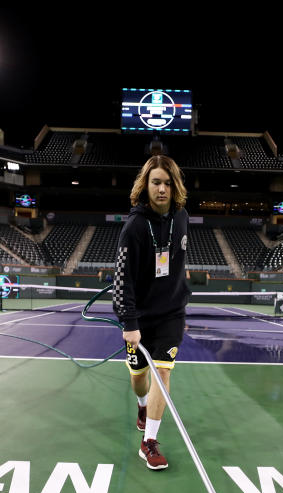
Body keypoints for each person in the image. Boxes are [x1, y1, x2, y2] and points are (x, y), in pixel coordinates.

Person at [113, 155, 190, 470]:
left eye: (167, 183)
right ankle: (142, 405)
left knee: (163, 372)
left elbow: (179, 266)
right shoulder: (134, 226)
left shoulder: (181, 217)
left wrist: (180, 307)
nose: (162, 189)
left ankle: (149, 443)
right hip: (139, 320)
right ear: (145, 185)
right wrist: (129, 323)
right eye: (156, 182)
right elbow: (122, 281)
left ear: (174, 187)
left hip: (171, 314)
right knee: (139, 380)